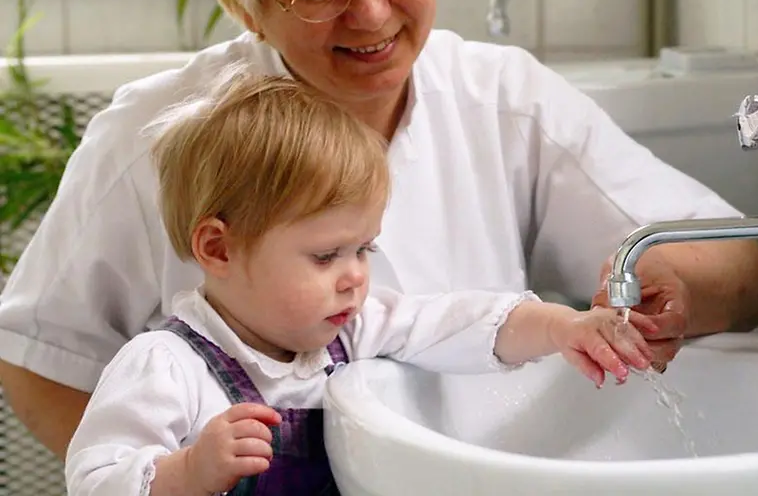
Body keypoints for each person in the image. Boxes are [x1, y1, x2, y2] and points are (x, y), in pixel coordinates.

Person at [0, 0, 758, 460]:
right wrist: (160, 479)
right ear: (245, 4)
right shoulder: (154, 142)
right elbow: (40, 362)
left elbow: (744, 270)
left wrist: (677, 291)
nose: (371, 14)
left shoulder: (502, 96)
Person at [63, 69, 656, 495]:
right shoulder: (165, 365)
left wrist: (562, 326)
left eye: (363, 249)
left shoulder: (352, 329)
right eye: (325, 256)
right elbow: (94, 477)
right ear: (218, 247)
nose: (353, 277)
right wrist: (185, 474)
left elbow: (460, 323)